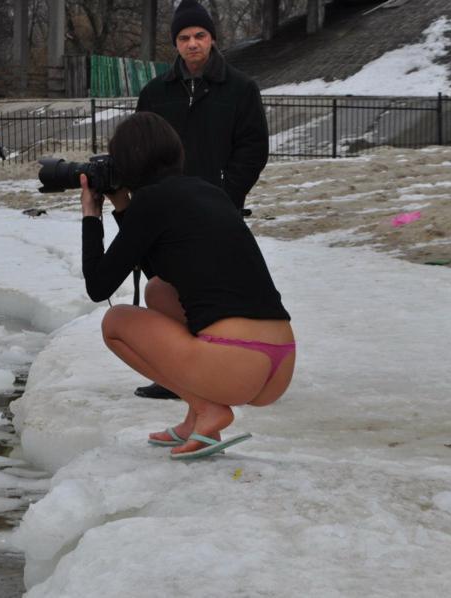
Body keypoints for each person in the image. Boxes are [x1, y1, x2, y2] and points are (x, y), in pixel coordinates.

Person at [80, 112, 295, 459]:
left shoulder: (151, 203)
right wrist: (123, 207)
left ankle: (208, 408)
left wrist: (91, 214)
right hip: (279, 363)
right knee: (158, 291)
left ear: (127, 164)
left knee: (114, 323)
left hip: (235, 362)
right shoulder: (209, 192)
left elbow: (98, 286)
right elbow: (162, 271)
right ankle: (195, 418)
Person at [133, 0, 270, 400]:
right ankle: (172, 371)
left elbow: (252, 148)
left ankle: (218, 365)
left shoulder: (241, 89)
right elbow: (139, 146)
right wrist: (148, 199)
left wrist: (227, 195)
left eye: (199, 36)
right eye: (184, 38)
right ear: (174, 44)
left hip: (217, 209)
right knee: (164, 285)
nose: (193, 44)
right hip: (167, 211)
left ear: (212, 38)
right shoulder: (156, 93)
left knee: (214, 289)